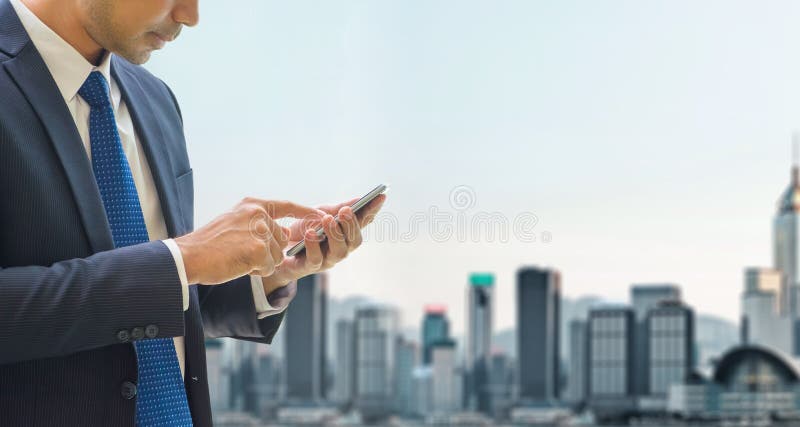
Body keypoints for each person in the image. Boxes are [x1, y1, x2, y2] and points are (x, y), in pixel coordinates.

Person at [0, 0, 386, 425]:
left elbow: (159, 295)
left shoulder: (155, 101)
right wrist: (183, 258)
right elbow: (163, 269)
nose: (190, 15)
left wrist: (270, 271)